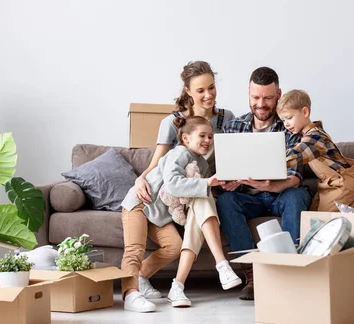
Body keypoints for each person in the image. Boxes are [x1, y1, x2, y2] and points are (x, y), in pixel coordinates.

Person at [131, 61, 236, 298]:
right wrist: (140, 179)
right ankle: (220, 266)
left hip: (213, 187)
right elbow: (157, 163)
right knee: (201, 195)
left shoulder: (227, 119)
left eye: (211, 87)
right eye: (200, 90)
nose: (208, 95)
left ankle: (177, 286)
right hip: (182, 192)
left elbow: (233, 158)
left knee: (202, 196)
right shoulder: (172, 122)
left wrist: (232, 179)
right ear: (188, 91)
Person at [121, 116, 241, 313]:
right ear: (186, 139)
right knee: (135, 247)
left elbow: (195, 193)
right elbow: (173, 184)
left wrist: (221, 185)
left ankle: (141, 276)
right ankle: (130, 293)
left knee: (174, 246)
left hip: (159, 214)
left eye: (210, 136)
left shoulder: (202, 164)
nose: (208, 140)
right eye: (202, 135)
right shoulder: (179, 153)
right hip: (139, 205)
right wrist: (206, 184)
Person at [216, 67, 313, 300]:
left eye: (268, 98)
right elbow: (225, 169)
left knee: (297, 195)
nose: (261, 104)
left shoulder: (290, 124)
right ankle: (253, 275)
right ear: (248, 94)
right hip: (248, 197)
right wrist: (227, 182)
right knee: (226, 200)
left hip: (281, 194)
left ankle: (288, 269)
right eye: (255, 97)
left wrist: (270, 185)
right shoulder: (232, 127)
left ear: (278, 94)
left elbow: (295, 173)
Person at [276, 89, 354, 212]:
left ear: (305, 112)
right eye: (283, 120)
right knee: (311, 215)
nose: (286, 124)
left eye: (289, 118)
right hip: (327, 184)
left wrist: (272, 161)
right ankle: (351, 205)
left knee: (321, 219)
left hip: (341, 183)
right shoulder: (306, 135)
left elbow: (296, 155)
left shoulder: (315, 137)